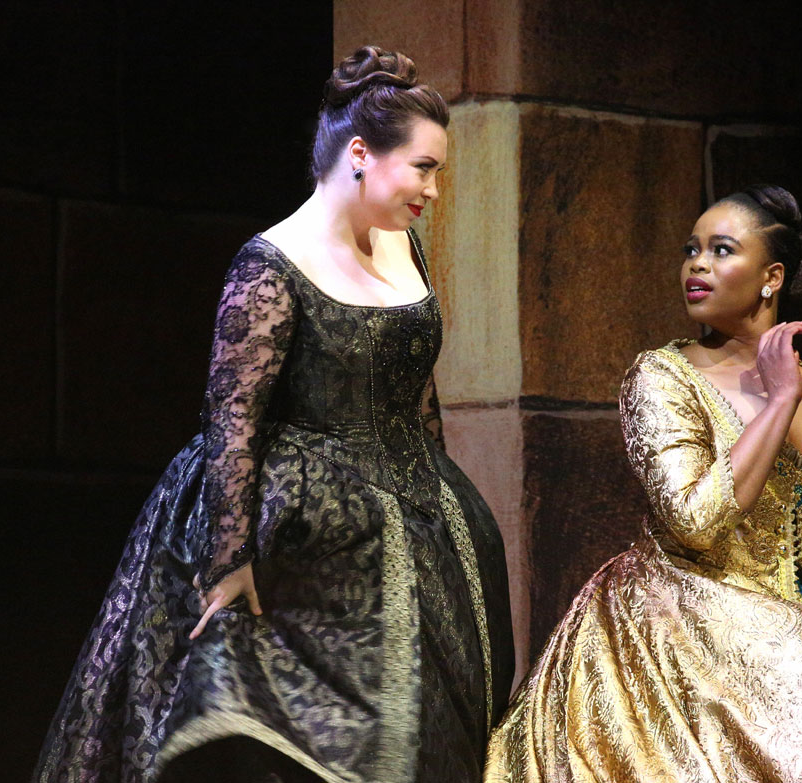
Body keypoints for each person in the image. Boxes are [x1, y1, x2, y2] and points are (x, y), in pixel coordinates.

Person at [35, 46, 514, 783]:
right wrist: (229, 559)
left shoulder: (405, 245)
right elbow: (234, 419)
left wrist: (440, 510)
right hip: (302, 533)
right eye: (423, 168)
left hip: (417, 514)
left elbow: (416, 392)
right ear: (362, 154)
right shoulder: (269, 265)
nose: (433, 189)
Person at [484, 185, 802, 783]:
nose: (696, 265)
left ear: (772, 277)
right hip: (682, 621)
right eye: (691, 250)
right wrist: (779, 402)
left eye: (721, 250)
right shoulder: (662, 377)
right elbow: (695, 523)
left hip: (797, 621)